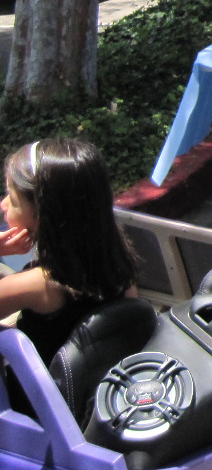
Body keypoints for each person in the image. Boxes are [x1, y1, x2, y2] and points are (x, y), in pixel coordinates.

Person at [0, 140, 138, 369]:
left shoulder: (38, 284)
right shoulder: (119, 263)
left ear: (43, 216)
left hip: (39, 400)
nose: (3, 204)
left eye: (12, 200)